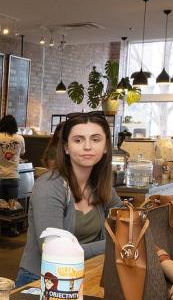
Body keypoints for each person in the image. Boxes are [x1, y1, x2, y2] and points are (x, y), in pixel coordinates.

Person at [17, 112, 122, 286]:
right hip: (40, 282)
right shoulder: (50, 186)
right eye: (78, 140)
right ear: (66, 147)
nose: (87, 147)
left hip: (83, 276)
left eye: (95, 139)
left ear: (105, 147)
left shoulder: (100, 186)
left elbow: (126, 221)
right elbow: (54, 250)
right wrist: (115, 245)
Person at [0, 114, 25, 214]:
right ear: (15, 125)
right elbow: (22, 153)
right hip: (13, 176)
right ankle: (12, 228)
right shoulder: (20, 139)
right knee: (12, 207)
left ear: (1, 125)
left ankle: (0, 228)